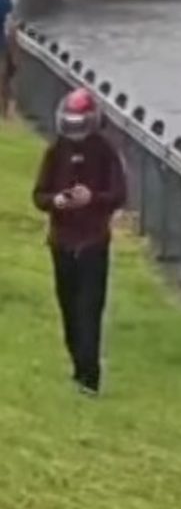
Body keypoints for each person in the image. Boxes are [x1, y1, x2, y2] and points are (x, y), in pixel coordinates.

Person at [33, 88, 127, 396]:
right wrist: (56, 201)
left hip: (93, 242)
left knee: (90, 310)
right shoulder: (55, 152)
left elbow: (118, 195)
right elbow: (39, 195)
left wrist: (93, 199)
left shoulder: (106, 152)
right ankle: (78, 367)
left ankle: (90, 377)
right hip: (62, 242)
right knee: (69, 309)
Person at [0, 0, 14, 119]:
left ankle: (5, 113)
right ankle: (5, 113)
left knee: (3, 80)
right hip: (2, 46)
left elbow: (11, 26)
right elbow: (11, 26)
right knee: (3, 80)